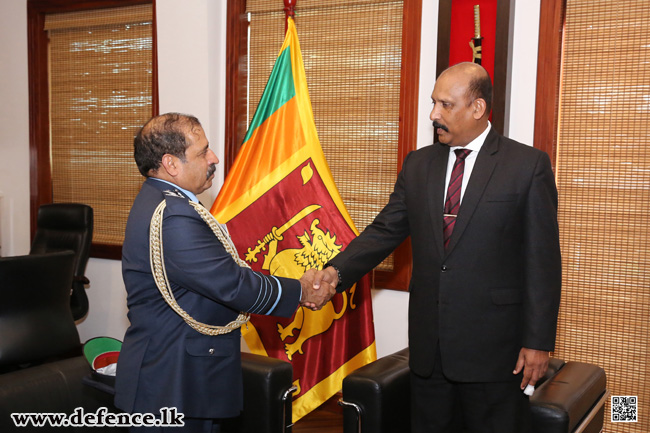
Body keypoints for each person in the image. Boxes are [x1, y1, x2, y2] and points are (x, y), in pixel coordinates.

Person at [314, 62, 562, 432]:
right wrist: (335, 272)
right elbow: (384, 231)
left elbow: (543, 263)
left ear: (477, 108)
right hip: (430, 350)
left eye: (445, 105)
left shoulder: (526, 166)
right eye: (434, 103)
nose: (433, 114)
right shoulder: (419, 165)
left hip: (494, 352)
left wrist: (538, 343)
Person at [114, 113, 334, 432]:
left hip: (184, 373)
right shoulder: (174, 215)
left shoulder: (166, 200)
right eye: (203, 152)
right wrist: (300, 291)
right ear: (171, 164)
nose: (213, 158)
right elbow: (232, 284)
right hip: (172, 380)